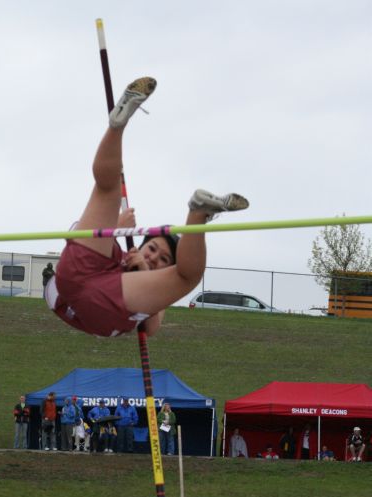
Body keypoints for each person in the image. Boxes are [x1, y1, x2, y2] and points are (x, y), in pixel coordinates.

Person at [45, 77, 249, 339]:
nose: (153, 258)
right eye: (152, 249)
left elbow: (151, 330)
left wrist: (143, 269)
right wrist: (115, 231)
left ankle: (118, 127)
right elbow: (75, 239)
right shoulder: (117, 254)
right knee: (109, 188)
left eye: (163, 260)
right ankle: (197, 213)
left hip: (97, 297)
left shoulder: (145, 288)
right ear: (140, 245)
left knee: (107, 191)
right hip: (79, 285)